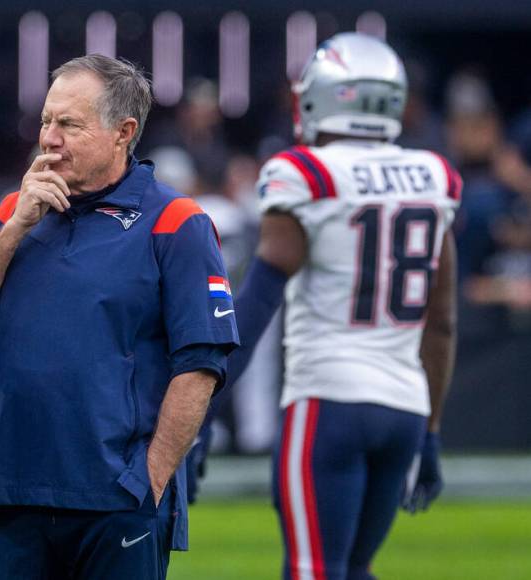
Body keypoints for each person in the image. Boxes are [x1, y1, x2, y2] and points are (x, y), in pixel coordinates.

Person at [0, 54, 239, 579]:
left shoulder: (177, 220)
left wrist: (151, 478)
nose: (49, 138)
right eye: (46, 121)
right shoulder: (16, 208)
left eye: (69, 124)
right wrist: (15, 229)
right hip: (10, 491)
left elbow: (201, 365)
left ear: (123, 132)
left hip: (117, 498)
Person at [212, 33, 460, 579]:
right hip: (405, 407)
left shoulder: (304, 173)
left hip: (327, 402)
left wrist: (205, 402)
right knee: (354, 569)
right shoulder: (433, 176)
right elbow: (440, 322)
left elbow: (258, 300)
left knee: (314, 570)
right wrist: (433, 431)